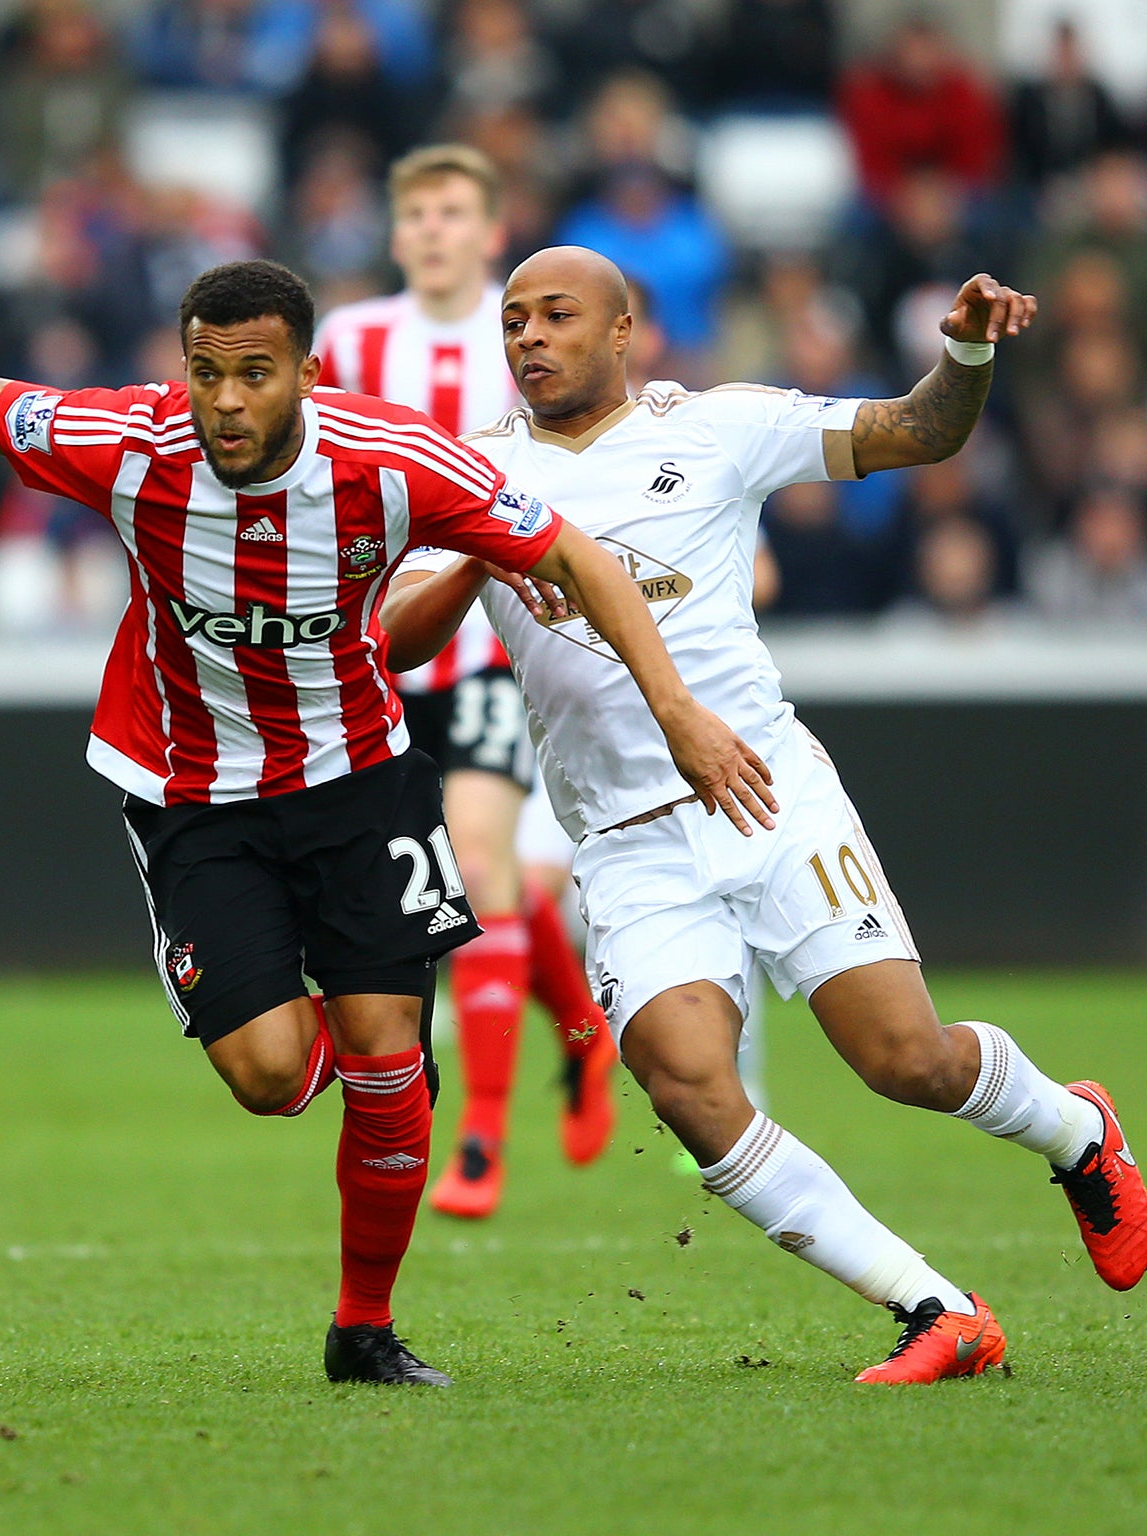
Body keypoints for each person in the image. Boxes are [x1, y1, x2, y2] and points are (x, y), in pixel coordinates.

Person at [0, 258, 772, 1386]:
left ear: (305, 375)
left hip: (355, 779)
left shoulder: (391, 458)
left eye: (252, 375)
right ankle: (385, 1082)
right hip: (192, 792)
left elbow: (572, 551)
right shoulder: (128, 445)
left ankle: (361, 1330)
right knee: (270, 1076)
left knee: (383, 1063)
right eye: (203, 373)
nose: (224, 401)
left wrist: (676, 712)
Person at [382, 245, 1147, 1383]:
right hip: (623, 837)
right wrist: (477, 560)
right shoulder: (472, 472)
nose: (528, 338)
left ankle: (1076, 1129)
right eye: (511, 321)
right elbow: (390, 640)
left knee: (903, 1060)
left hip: (765, 793)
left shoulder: (715, 426)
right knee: (687, 1084)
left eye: (554, 316)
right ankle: (935, 1307)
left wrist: (967, 349)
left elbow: (918, 431)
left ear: (621, 331)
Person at [314, 144, 616, 1219]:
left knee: (480, 861)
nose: (435, 231)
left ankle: (479, 1143)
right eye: (418, 215)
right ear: (396, 235)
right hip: (374, 643)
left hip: (492, 638)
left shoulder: (524, 335)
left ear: (488, 232)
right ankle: (580, 1035)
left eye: (455, 213)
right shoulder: (347, 340)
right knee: (468, 881)